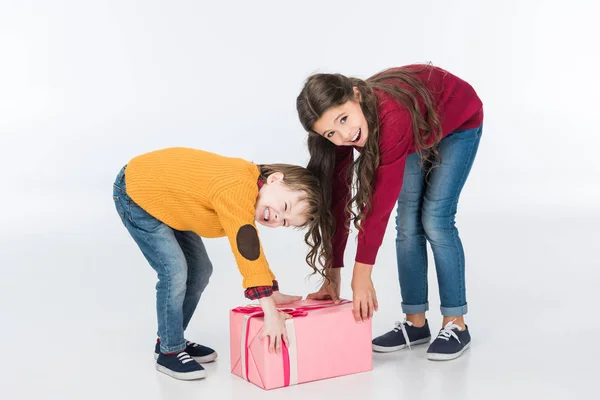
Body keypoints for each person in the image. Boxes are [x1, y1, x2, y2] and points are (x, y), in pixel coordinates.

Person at [296, 64, 483, 361]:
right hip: (417, 125)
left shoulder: (391, 116)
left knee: (435, 219)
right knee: (407, 223)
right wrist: (333, 278)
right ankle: (416, 323)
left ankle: (456, 324)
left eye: (344, 118)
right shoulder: (343, 137)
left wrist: (361, 274)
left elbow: (379, 203)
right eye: (331, 132)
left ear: (356, 95)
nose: (345, 134)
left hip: (458, 122)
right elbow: (338, 200)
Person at [112, 147, 326, 379]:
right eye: (284, 208)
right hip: (137, 194)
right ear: (274, 179)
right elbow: (246, 247)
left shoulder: (247, 195)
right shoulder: (238, 186)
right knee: (174, 272)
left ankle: (169, 337)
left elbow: (252, 247)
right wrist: (269, 310)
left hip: (173, 205)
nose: (277, 218)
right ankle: (170, 351)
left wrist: (271, 291)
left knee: (202, 270)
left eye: (284, 222)